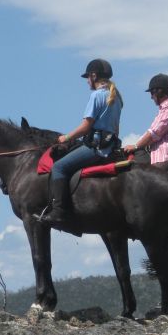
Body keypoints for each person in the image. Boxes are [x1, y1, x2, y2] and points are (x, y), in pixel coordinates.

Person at [38, 58, 123, 229]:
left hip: (97, 149)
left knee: (58, 168)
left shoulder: (97, 96)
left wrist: (66, 138)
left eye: (87, 78)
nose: (86, 81)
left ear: (93, 76)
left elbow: (85, 127)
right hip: (112, 147)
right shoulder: (117, 97)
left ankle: (59, 212)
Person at [124, 73, 168, 174]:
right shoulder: (167, 107)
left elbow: (154, 133)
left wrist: (135, 146)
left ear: (159, 92)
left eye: (152, 94)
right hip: (167, 155)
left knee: (146, 177)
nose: (151, 97)